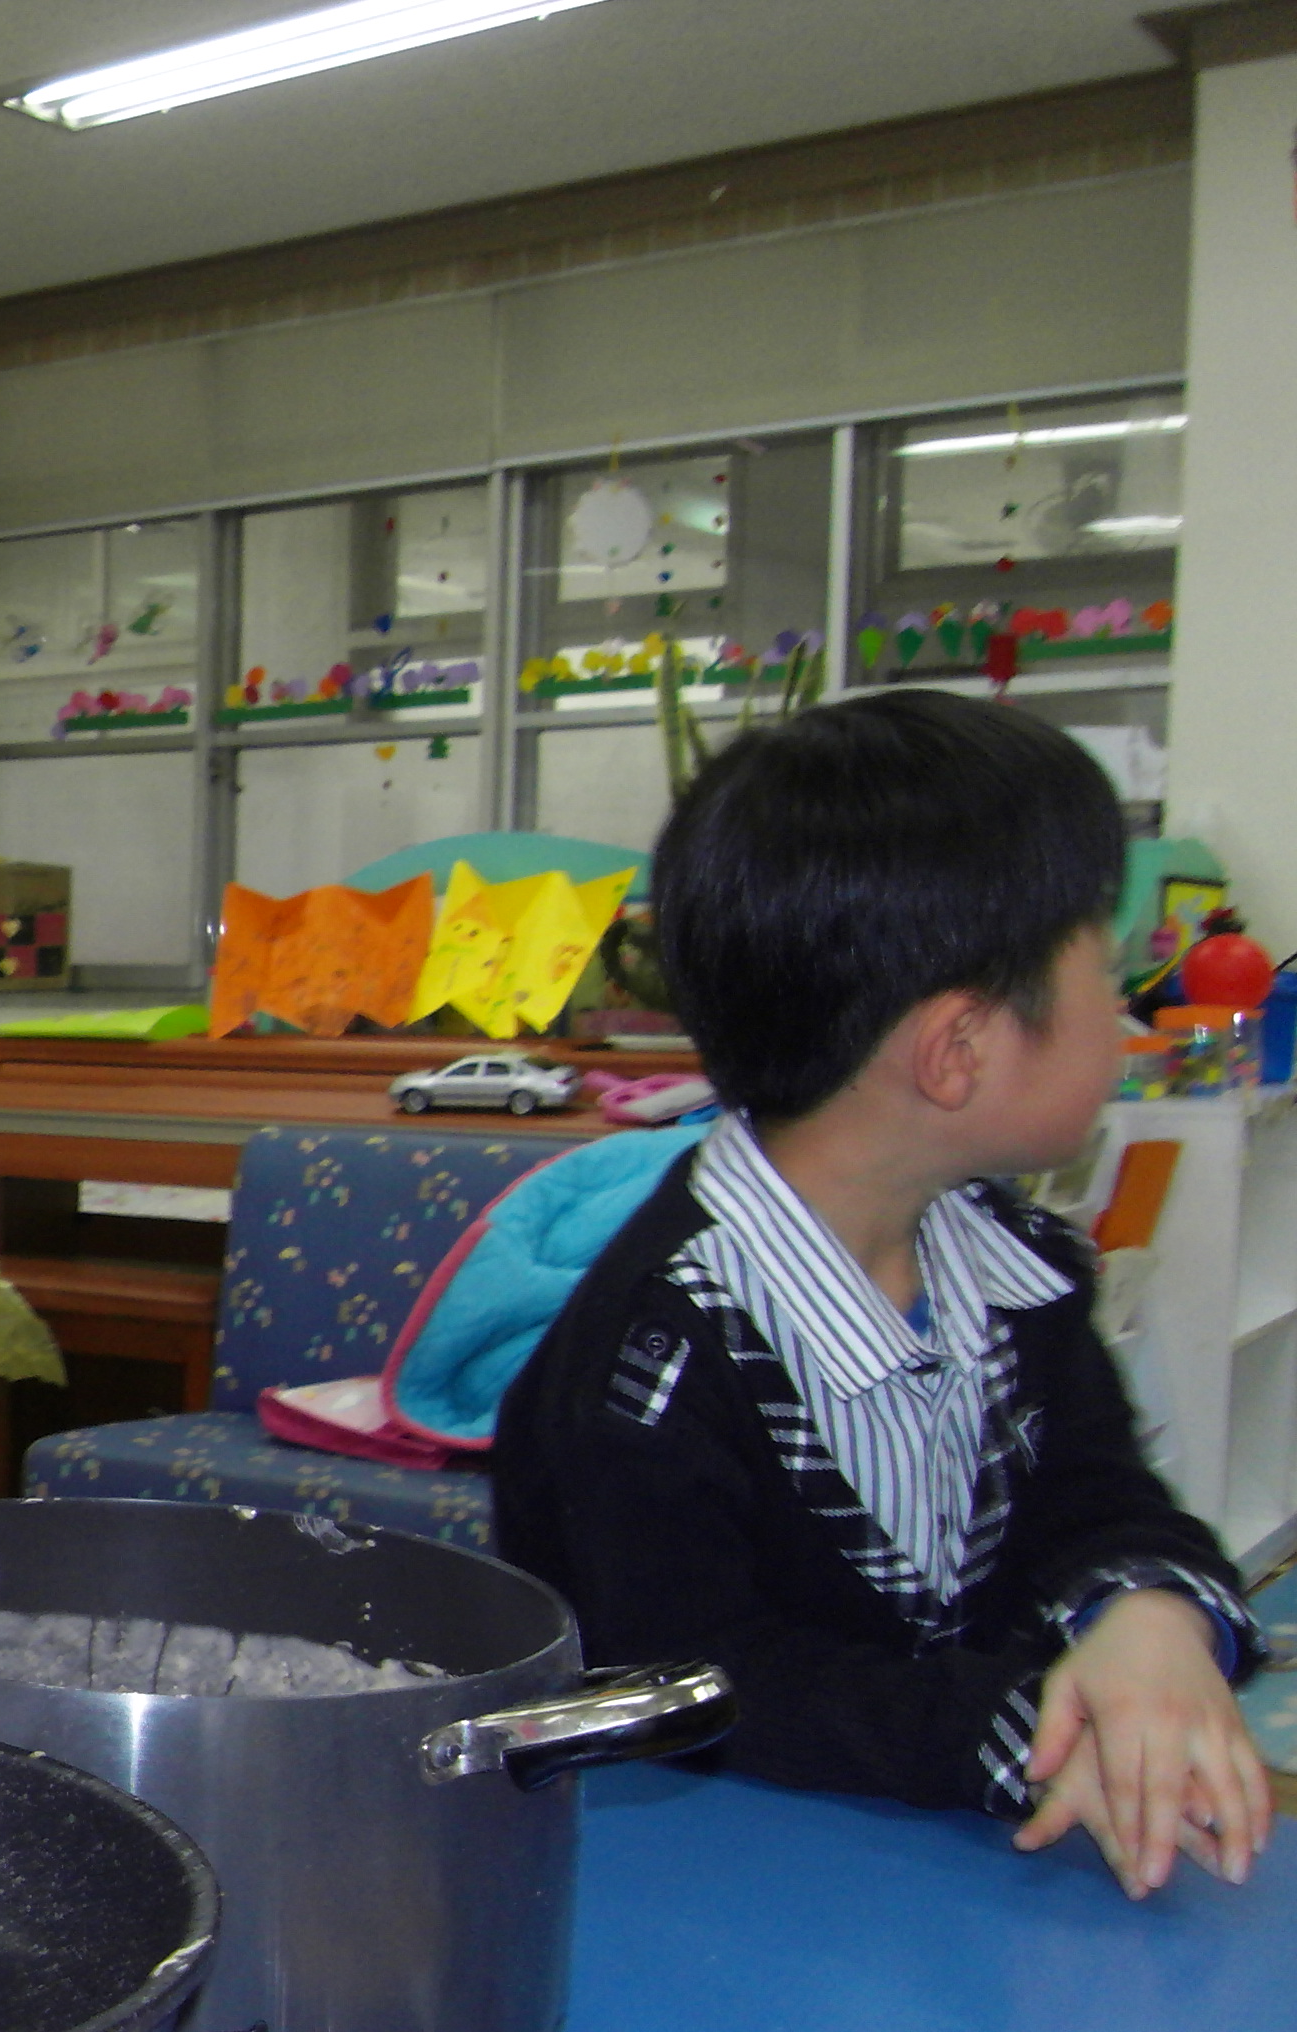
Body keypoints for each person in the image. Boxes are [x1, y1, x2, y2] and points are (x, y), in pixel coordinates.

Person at [493, 690, 1268, 1900]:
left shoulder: (1020, 1268)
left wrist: (1152, 1621)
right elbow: (682, 1682)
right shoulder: (651, 1359)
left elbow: (1103, 1500)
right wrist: (1032, 1726)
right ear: (958, 1051)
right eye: (1104, 978)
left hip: (973, 1898)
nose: (1124, 1023)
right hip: (732, 1909)